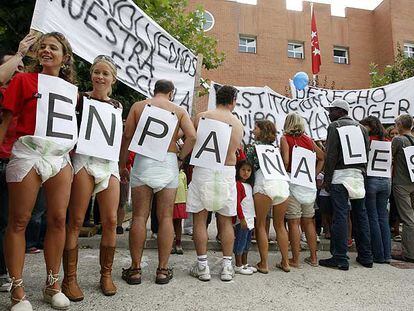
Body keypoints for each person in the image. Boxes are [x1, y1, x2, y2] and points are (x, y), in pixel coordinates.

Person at [0, 32, 76, 311]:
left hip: (60, 158)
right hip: (28, 153)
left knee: (58, 219)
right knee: (19, 220)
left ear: (64, 57)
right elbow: (6, 120)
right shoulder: (22, 80)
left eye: (53, 47)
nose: (46, 50)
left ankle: (52, 284)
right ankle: (18, 290)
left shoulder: (72, 90)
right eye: (42, 47)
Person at [120, 79, 196, 285]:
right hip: (168, 162)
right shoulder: (178, 110)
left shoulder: (139, 106)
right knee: (165, 217)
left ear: (154, 91)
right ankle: (162, 270)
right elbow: (192, 136)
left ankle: (135, 270)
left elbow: (126, 136)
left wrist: (122, 164)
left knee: (138, 217)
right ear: (171, 93)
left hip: (143, 161)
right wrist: (181, 159)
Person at [63, 55, 122, 301]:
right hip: (84, 161)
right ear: (91, 75)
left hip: (108, 164)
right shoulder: (79, 99)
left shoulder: (118, 106)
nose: (100, 76)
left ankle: (106, 275)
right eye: (96, 72)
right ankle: (70, 279)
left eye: (105, 73)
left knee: (110, 220)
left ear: (113, 79)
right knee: (76, 220)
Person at [187, 85, 243, 282]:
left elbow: (191, 140)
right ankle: (227, 266)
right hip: (226, 170)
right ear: (233, 100)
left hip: (203, 168)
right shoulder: (237, 123)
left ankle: (203, 266)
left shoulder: (202, 115)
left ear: (217, 98)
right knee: (226, 220)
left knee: (200, 219)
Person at [319, 99, 373, 271]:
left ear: (339, 111)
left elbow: (331, 155)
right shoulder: (362, 129)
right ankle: (366, 256)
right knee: (361, 215)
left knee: (340, 216)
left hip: (340, 176)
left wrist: (327, 180)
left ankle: (340, 257)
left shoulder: (334, 127)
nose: (329, 114)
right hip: (358, 175)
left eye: (331, 110)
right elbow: (367, 152)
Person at [280, 112, 325, 268]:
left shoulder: (285, 139)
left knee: (293, 222)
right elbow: (322, 157)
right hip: (308, 184)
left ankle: (295, 259)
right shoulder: (309, 140)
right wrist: (314, 175)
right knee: (309, 222)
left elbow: (286, 161)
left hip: (293, 182)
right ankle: (313, 258)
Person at [246, 120, 290, 273]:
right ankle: (285, 262)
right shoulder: (275, 149)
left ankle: (264, 263)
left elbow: (248, 169)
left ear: (262, 130)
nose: (253, 130)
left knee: (261, 225)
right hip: (282, 184)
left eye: (256, 128)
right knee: (280, 226)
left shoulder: (253, 149)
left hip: (264, 183)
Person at [360, 116, 392, 264]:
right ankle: (387, 254)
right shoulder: (387, 141)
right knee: (383, 218)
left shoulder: (368, 140)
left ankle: (378, 254)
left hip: (371, 179)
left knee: (372, 217)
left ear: (370, 127)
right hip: (386, 181)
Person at [391, 114, 414, 262]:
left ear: (399, 125)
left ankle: (409, 253)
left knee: (408, 219)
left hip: (401, 183)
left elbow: (388, 158)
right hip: (412, 182)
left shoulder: (398, 140)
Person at [233, 160, 256, 275]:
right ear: (238, 170)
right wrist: (241, 218)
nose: (246, 172)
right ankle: (238, 264)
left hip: (250, 217)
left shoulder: (250, 185)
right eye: (243, 170)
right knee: (240, 241)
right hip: (243, 219)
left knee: (247, 242)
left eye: (248, 170)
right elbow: (237, 203)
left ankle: (245, 263)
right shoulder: (238, 184)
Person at [171, 168, 188, 255]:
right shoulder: (169, 172)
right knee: (169, 223)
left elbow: (185, 188)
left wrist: (186, 200)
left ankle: (178, 243)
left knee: (178, 223)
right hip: (170, 202)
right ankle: (170, 243)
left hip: (180, 201)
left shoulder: (183, 174)